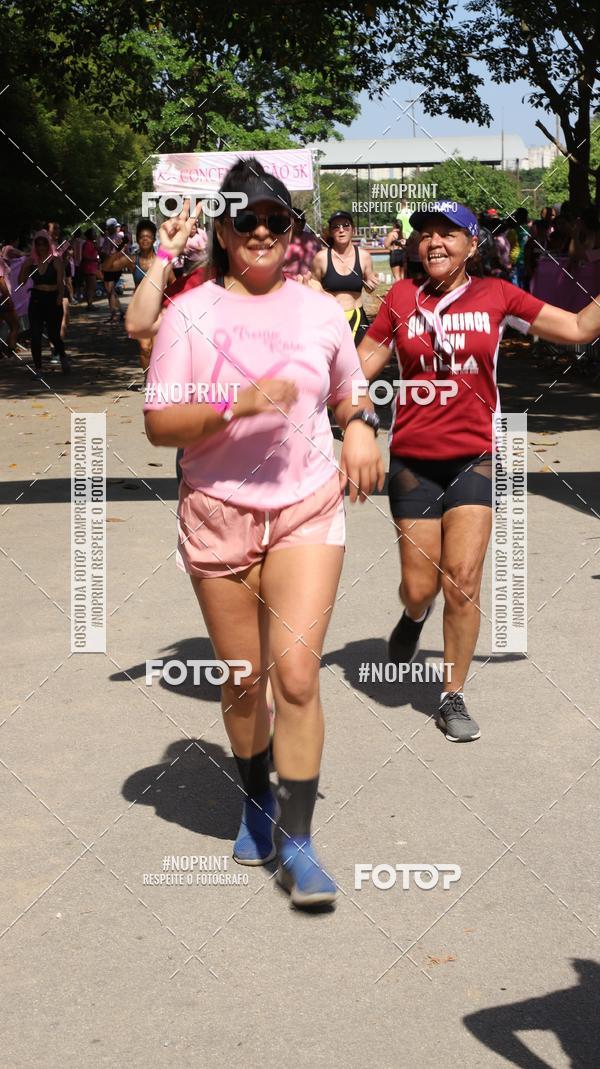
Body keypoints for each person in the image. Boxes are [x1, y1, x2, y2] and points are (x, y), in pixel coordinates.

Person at [144, 158, 384, 907]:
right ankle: (254, 793)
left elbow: (350, 393)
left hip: (306, 508)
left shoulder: (318, 312)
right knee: (245, 679)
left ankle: (299, 837)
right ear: (221, 229)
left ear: (291, 231)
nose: (259, 233)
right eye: (244, 221)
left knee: (298, 674)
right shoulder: (190, 312)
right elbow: (158, 425)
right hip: (216, 511)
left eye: (274, 221)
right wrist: (234, 405)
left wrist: (360, 430)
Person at [357, 199, 600, 742]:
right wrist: (356, 422)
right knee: (421, 586)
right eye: (426, 235)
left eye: (449, 234)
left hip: (477, 457)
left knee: (462, 582)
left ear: (472, 244)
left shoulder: (498, 294)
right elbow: (355, 370)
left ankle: (452, 695)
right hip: (414, 460)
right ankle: (414, 616)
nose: (434, 243)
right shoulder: (400, 299)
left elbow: (581, 326)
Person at [102, 218, 163, 370]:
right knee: (144, 348)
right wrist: (118, 252)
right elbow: (107, 267)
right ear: (137, 239)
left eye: (148, 237)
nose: (145, 240)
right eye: (142, 237)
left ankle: (157, 381)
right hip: (140, 310)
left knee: (157, 349)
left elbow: (174, 283)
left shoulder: (162, 261)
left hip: (160, 310)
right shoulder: (132, 260)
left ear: (154, 239)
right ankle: (148, 380)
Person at [311, 211, 379, 345]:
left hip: (358, 318)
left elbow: (369, 286)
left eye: (346, 226)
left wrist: (371, 284)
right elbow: (313, 283)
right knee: (332, 364)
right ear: (330, 232)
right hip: (331, 319)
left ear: (353, 229)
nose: (341, 230)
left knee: (359, 362)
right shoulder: (321, 257)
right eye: (336, 227)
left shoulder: (364, 256)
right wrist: (321, 293)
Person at [18, 230, 70, 374]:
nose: (41, 247)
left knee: (53, 335)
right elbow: (21, 282)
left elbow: (61, 282)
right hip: (36, 300)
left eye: (44, 244)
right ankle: (38, 368)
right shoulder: (32, 262)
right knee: (35, 335)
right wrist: (25, 267)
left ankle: (63, 356)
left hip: (53, 299)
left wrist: (60, 296)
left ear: (48, 245)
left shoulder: (55, 261)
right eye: (38, 244)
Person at [100, 217, 125, 323]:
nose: (108, 229)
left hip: (112, 267)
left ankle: (114, 315)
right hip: (110, 267)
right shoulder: (109, 238)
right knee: (111, 291)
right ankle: (120, 311)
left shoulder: (115, 237)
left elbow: (119, 251)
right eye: (108, 227)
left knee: (110, 291)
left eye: (110, 227)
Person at [81, 228, 99, 308]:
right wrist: (95, 259)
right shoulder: (87, 244)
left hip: (92, 267)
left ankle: (90, 303)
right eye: (94, 233)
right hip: (89, 268)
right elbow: (85, 256)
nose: (95, 235)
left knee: (91, 286)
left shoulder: (92, 243)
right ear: (90, 235)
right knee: (91, 287)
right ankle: (89, 304)